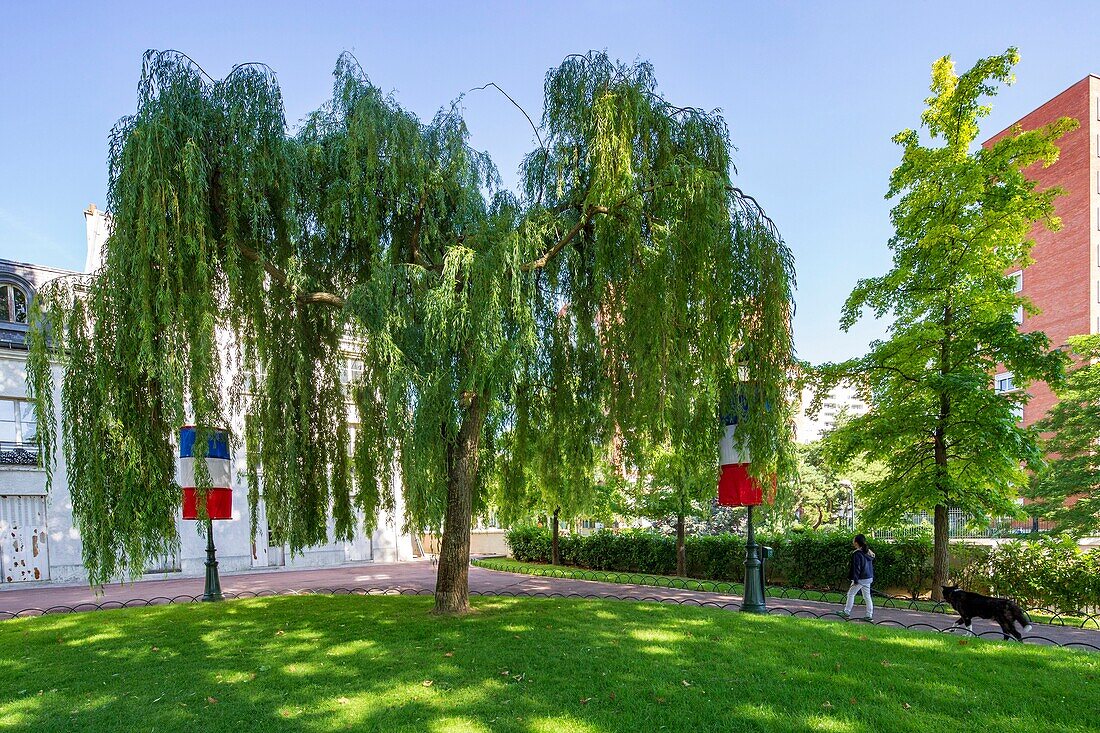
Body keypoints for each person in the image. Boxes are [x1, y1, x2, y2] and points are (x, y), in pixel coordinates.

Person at [839, 534, 875, 620]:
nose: (852, 541)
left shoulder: (857, 554)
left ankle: (846, 612)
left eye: (853, 540)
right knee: (867, 596)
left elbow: (857, 568)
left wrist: (855, 580)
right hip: (868, 578)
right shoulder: (868, 552)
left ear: (856, 542)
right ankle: (869, 615)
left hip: (860, 578)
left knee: (851, 594)